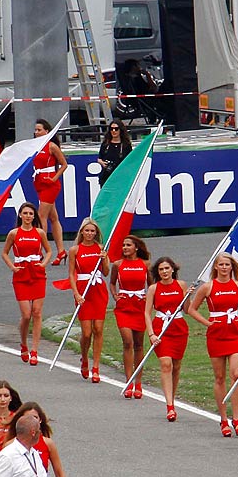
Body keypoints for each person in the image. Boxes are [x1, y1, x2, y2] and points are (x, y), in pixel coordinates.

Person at [190, 253, 238, 435]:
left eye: (227, 265)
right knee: (220, 377)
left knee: (236, 374)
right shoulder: (208, 287)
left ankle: (236, 419)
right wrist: (207, 323)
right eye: (221, 265)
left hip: (234, 334)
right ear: (215, 267)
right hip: (216, 335)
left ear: (232, 267)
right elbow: (192, 309)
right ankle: (223, 419)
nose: (224, 268)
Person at [144, 256, 190, 420]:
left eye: (167, 268)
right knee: (166, 363)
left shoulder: (181, 285)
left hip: (178, 328)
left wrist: (188, 295)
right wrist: (151, 333)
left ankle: (173, 397)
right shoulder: (153, 289)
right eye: (161, 269)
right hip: (160, 328)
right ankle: (169, 406)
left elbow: (187, 309)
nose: (164, 272)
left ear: (173, 270)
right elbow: (147, 313)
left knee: (176, 366)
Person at [4, 202, 49, 364]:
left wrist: (43, 264)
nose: (28, 216)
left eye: (31, 213)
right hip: (21, 275)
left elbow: (49, 251)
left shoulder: (40, 232)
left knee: (37, 312)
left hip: (37, 274)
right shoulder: (14, 233)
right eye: (25, 213)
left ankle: (35, 350)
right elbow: (4, 253)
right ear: (20, 215)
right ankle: (23, 343)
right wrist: (12, 267)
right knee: (26, 314)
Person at [67, 220, 111, 383]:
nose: (90, 233)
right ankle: (84, 357)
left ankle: (96, 367)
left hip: (98, 290)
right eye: (87, 230)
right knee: (87, 332)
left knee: (98, 329)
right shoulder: (75, 250)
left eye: (93, 231)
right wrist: (76, 293)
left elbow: (106, 273)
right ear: (82, 232)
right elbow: (71, 273)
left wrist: (105, 259)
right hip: (83, 290)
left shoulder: (100, 248)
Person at [112, 236, 152, 398]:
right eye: (123, 245)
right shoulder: (118, 264)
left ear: (136, 248)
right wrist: (115, 295)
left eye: (128, 245)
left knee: (138, 344)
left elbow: (152, 285)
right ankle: (128, 381)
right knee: (127, 341)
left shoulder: (145, 264)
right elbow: (112, 283)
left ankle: (138, 383)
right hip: (124, 307)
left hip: (139, 307)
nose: (125, 247)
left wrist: (147, 297)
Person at [29, 121, 67, 263]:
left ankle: (40, 250)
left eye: (39, 130)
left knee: (41, 216)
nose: (36, 132)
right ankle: (61, 251)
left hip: (50, 184)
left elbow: (64, 164)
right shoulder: (35, 146)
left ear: (47, 131)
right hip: (39, 182)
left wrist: (54, 178)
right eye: (35, 129)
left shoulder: (51, 146)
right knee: (53, 217)